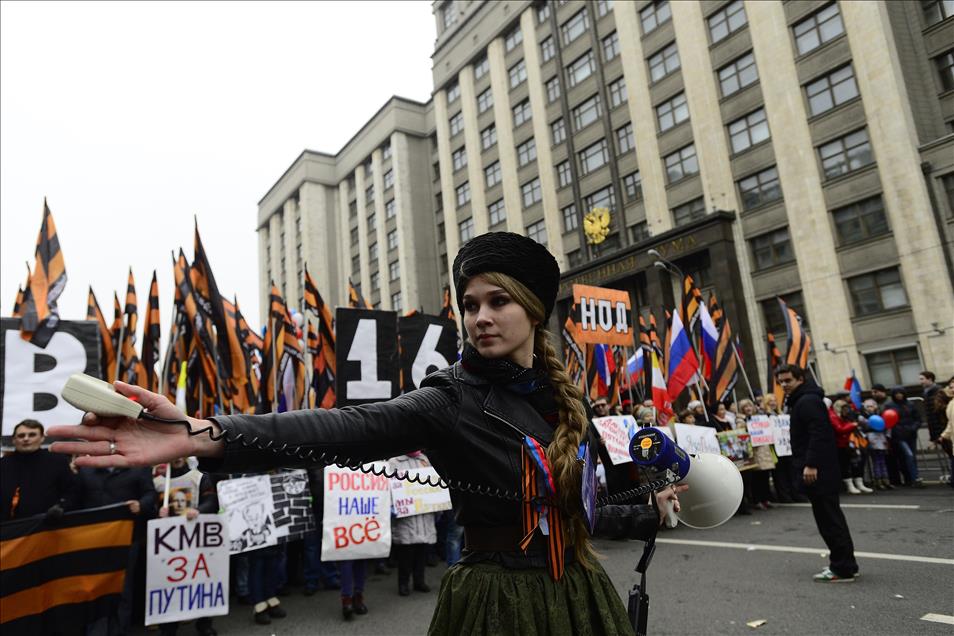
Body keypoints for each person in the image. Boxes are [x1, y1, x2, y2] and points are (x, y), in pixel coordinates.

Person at [51, 232, 685, 635]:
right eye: (470, 304)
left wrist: (648, 509)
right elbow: (346, 427)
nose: (481, 317)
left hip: (581, 598)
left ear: (534, 311)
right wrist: (203, 432)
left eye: (498, 301)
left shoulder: (568, 398)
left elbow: (585, 512)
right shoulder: (448, 398)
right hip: (496, 606)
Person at [776, 364, 858, 583]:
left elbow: (819, 433)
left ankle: (842, 568)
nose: (784, 385)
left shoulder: (807, 401)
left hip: (818, 471)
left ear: (800, 379)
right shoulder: (803, 400)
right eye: (781, 381)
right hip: (820, 469)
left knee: (829, 519)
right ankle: (845, 563)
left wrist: (811, 464)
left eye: (788, 381)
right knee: (830, 517)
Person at [76, 461, 157, 634]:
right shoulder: (86, 470)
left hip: (126, 539)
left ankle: (119, 631)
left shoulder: (139, 468)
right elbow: (76, 500)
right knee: (93, 589)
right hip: (92, 541)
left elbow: (150, 494)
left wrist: (141, 505)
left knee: (123, 589)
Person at [154, 456, 220, 636]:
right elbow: (149, 507)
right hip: (169, 544)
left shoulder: (199, 477)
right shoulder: (158, 482)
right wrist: (157, 511)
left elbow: (212, 502)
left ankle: (204, 624)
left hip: (195, 539)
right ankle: (168, 628)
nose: (176, 458)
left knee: (201, 582)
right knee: (167, 584)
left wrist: (198, 511)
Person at [1, 419, 78, 521]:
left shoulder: (57, 461)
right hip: (8, 530)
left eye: (32, 435)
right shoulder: (3, 464)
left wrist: (61, 507)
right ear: (14, 440)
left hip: (46, 527)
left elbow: (72, 491)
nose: (26, 439)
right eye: (21, 435)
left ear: (42, 438)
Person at [391, 451, 438, 597]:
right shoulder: (394, 462)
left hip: (424, 515)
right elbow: (389, 486)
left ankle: (419, 581)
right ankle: (403, 584)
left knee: (422, 551)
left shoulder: (424, 460)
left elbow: (434, 483)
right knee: (406, 553)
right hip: (406, 516)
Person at [884, 386, 924, 488]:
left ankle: (913, 478)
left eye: (900, 393)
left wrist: (913, 428)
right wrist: (898, 430)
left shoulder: (910, 404)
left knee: (912, 457)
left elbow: (918, 419)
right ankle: (914, 478)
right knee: (909, 455)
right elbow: (888, 420)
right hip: (899, 435)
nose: (899, 395)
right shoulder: (889, 406)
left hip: (911, 433)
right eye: (896, 393)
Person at [860, 399, 891, 490]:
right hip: (871, 438)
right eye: (868, 407)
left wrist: (887, 437)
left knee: (882, 461)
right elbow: (863, 429)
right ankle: (878, 480)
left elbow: (885, 426)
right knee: (876, 461)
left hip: (881, 438)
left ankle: (886, 479)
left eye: (872, 406)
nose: (870, 408)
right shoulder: (863, 418)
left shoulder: (880, 415)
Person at [920, 371, 942, 443]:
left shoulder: (939, 391)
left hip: (941, 425)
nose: (920, 382)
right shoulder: (926, 393)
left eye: (922, 379)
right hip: (934, 426)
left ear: (930, 379)